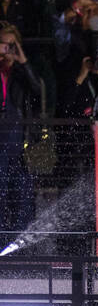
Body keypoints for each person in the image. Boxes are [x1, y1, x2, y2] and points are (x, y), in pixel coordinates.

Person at [0, 22, 41, 234]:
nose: (5, 50)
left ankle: (19, 247)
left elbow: (37, 89)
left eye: (10, 45)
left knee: (22, 198)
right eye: (2, 44)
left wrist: (22, 61)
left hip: (17, 144)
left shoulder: (20, 72)